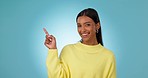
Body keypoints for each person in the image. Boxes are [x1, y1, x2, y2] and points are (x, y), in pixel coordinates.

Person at [43, 8, 116, 78]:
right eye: (79, 26)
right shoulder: (68, 50)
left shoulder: (108, 56)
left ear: (97, 26)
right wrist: (52, 49)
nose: (83, 30)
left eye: (87, 25)